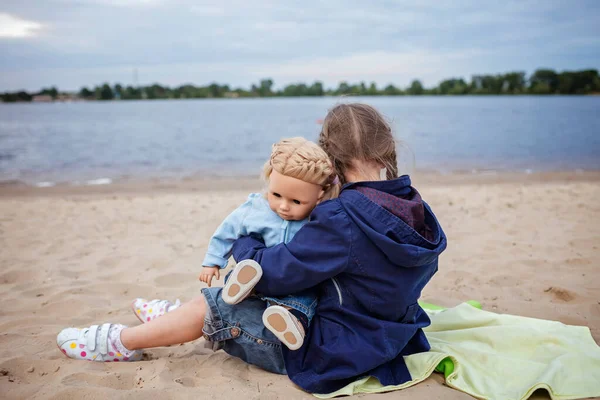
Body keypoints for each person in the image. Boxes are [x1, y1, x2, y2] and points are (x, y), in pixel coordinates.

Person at [56, 103, 446, 395]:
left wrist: (246, 243)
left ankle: (120, 343)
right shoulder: (413, 205)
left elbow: (275, 274)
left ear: (327, 158)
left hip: (331, 350)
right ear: (387, 148)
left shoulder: (342, 219)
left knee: (215, 304)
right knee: (235, 296)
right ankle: (171, 316)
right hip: (388, 335)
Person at [130, 137, 339, 350]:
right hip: (258, 276)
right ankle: (239, 286)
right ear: (269, 179)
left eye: (296, 202)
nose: (284, 206)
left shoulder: (316, 218)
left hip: (292, 283)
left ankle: (290, 321)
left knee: (304, 298)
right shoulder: (256, 209)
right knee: (245, 272)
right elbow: (227, 231)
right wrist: (212, 262)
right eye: (276, 195)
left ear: (319, 195)